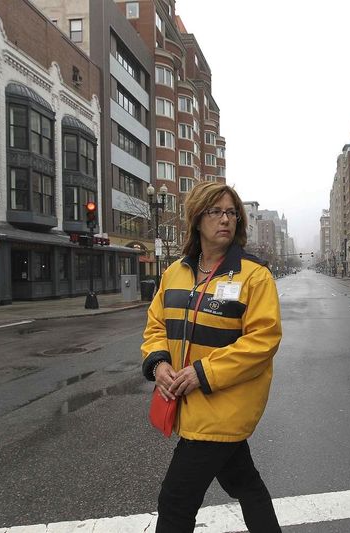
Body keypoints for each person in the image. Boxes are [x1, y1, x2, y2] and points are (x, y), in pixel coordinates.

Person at [141, 181, 282, 533]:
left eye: (231, 213)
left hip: (222, 407)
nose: (226, 219)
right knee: (245, 484)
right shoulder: (175, 273)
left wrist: (201, 373)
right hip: (189, 404)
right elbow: (156, 325)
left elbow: (263, 340)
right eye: (216, 211)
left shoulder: (254, 275)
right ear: (197, 218)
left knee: (175, 501)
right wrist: (159, 365)